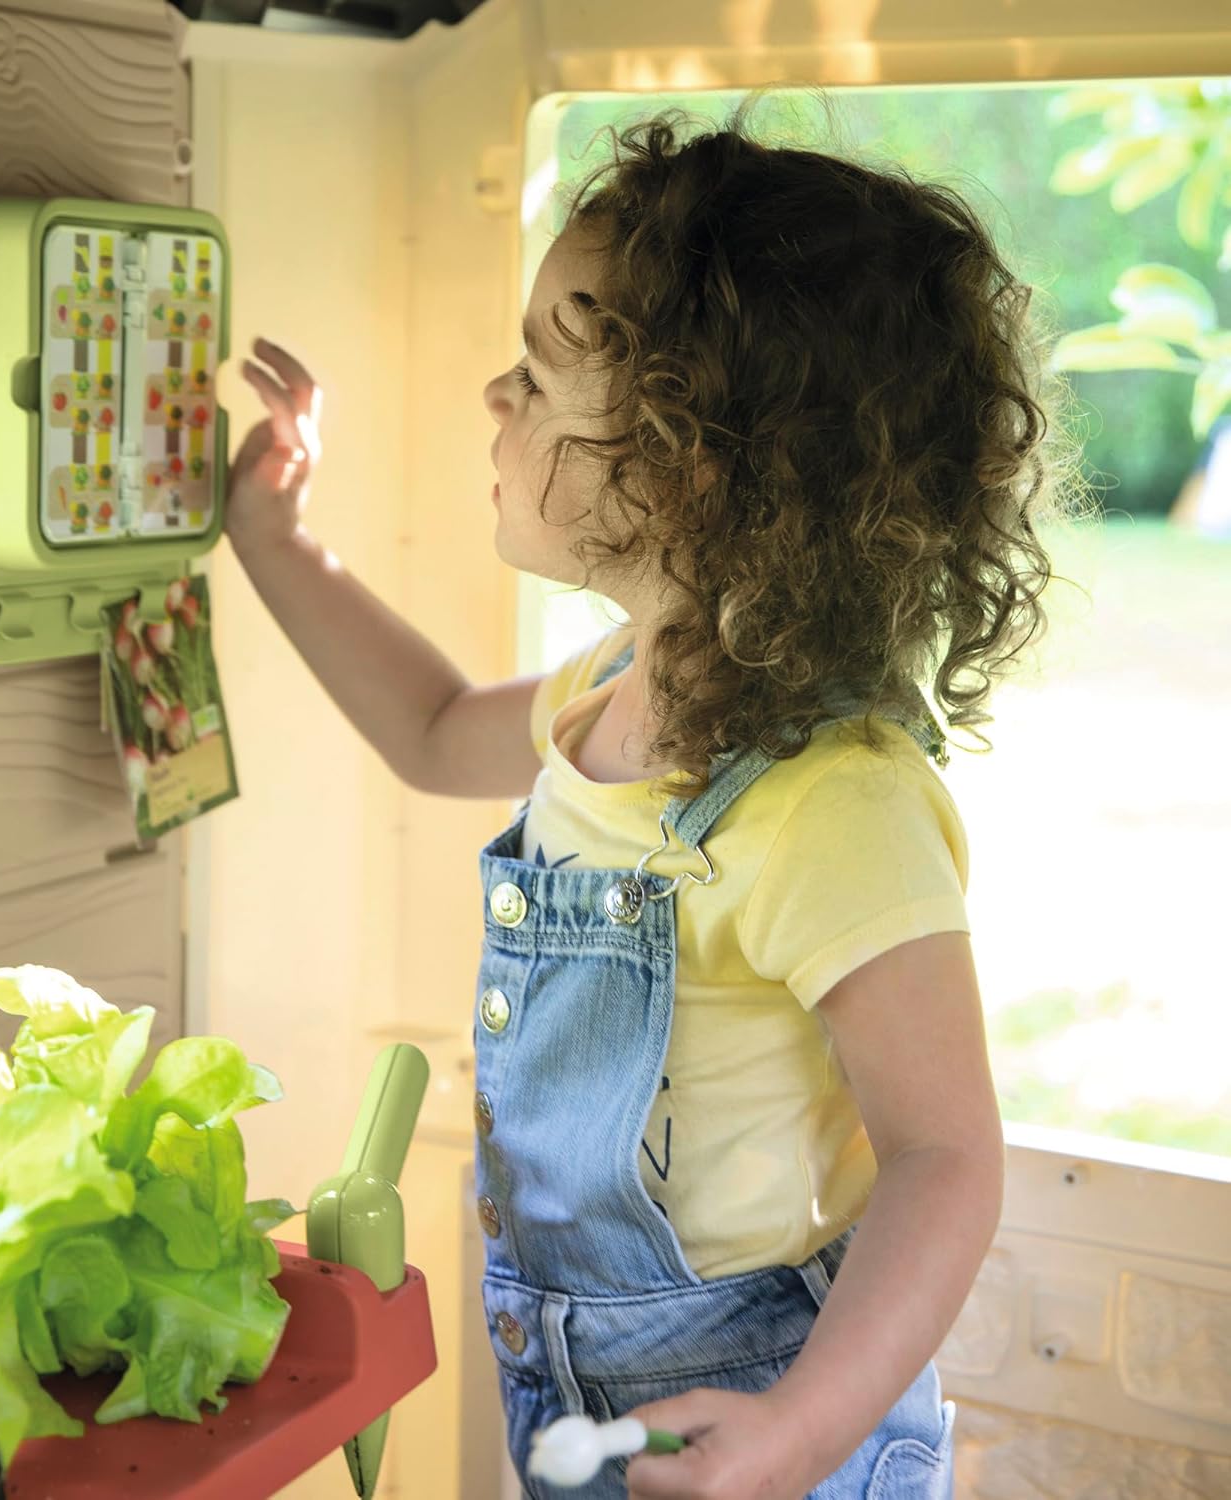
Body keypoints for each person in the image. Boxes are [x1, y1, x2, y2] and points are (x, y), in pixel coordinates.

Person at [223, 105, 1070, 1500]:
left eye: (535, 378)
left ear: (689, 467)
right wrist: (274, 540)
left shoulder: (836, 803)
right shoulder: (617, 682)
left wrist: (801, 1432)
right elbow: (431, 729)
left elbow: (947, 1160)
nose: (495, 399)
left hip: (775, 1430)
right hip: (583, 1403)